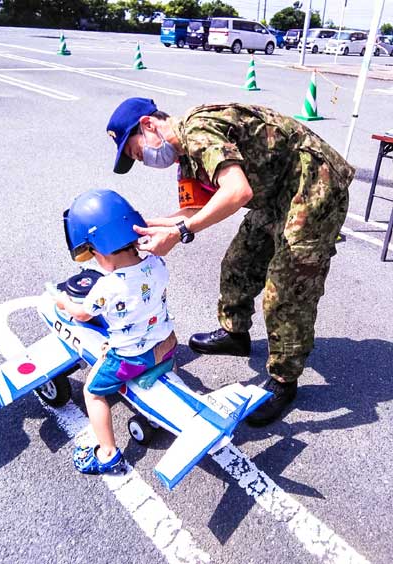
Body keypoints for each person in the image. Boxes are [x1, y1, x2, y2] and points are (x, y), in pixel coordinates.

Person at [106, 98, 355, 427]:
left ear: (149, 125)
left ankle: (283, 382)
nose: (143, 161)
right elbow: (195, 210)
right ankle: (235, 335)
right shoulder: (186, 160)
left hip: (315, 186)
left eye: (137, 152)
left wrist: (180, 233)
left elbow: (237, 192)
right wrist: (156, 226)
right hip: (276, 192)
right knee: (239, 262)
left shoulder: (197, 132)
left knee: (286, 291)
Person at [56, 188, 177, 474]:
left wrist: (63, 302)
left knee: (92, 391)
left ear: (99, 252)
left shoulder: (107, 286)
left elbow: (83, 313)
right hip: (166, 343)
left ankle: (108, 453)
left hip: (131, 359)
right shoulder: (157, 263)